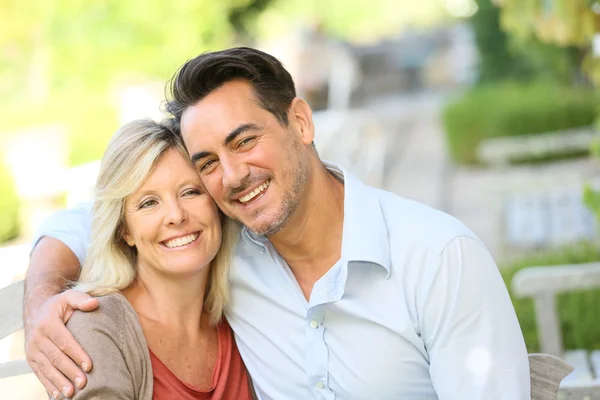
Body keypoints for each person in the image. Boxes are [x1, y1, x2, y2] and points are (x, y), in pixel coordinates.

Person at [24, 47, 530, 399]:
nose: (233, 176)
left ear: (302, 123)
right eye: (207, 163)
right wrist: (43, 301)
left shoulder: (438, 257)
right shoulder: (221, 245)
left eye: (245, 141)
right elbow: (100, 214)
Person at [35, 118, 251, 399]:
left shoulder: (243, 311)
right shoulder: (96, 330)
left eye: (190, 192)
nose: (176, 216)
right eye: (149, 202)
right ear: (125, 230)